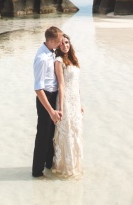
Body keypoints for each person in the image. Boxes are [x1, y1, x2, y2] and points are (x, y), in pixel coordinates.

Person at [32, 25, 63, 177]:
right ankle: (37, 172)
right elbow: (38, 88)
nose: (61, 43)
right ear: (51, 41)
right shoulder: (42, 58)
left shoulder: (51, 51)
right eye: (59, 41)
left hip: (53, 94)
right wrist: (51, 111)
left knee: (51, 134)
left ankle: (49, 165)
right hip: (46, 97)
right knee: (43, 136)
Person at [51, 33, 83, 177]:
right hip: (66, 101)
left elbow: (77, 84)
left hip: (75, 100)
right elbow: (61, 84)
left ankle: (75, 164)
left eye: (67, 42)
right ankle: (64, 167)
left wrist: (80, 103)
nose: (65, 45)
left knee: (76, 131)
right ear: (58, 46)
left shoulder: (73, 59)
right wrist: (61, 107)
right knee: (67, 132)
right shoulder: (59, 61)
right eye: (62, 43)